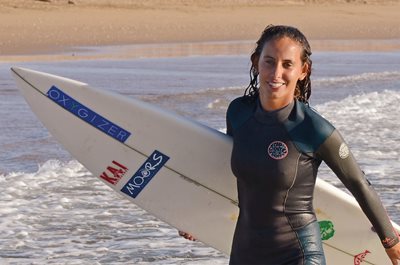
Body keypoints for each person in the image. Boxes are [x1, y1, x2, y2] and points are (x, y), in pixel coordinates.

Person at [181, 25, 400, 264]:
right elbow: (232, 172)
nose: (276, 73)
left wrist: (391, 241)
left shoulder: (312, 128)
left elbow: (358, 183)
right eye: (269, 61)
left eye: (287, 64)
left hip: (298, 253)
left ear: (303, 70)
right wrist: (197, 217)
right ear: (256, 62)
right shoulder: (238, 113)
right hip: (246, 251)